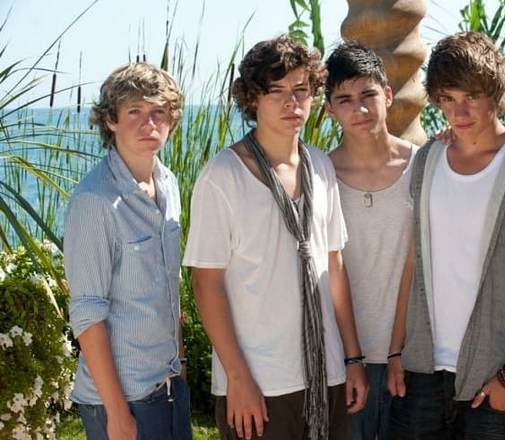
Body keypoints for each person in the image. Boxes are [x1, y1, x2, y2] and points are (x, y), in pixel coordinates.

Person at [183, 36, 368, 440]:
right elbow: (206, 284)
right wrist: (238, 378)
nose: (292, 103)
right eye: (276, 91)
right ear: (253, 99)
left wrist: (353, 358)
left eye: (301, 89)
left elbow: (334, 266)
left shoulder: (321, 166)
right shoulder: (222, 176)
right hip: (259, 383)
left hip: (326, 374)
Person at [386, 31, 505, 439]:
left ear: (495, 93)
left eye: (471, 96)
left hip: (492, 373)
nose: (459, 111)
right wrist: (395, 350)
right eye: (448, 98)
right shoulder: (428, 159)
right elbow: (413, 261)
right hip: (420, 370)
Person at [64, 63, 190, 440]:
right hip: (122, 400)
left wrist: (181, 363)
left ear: (171, 120)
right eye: (134, 111)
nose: (149, 123)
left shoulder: (168, 184)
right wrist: (118, 413)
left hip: (169, 385)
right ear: (111, 120)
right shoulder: (94, 200)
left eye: (158, 112)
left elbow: (170, 285)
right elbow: (87, 312)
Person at [324, 40, 417, 440]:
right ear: (329, 109)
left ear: (388, 95)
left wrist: (399, 349)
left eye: (368, 95)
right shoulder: (319, 174)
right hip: (341, 357)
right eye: (344, 100)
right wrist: (350, 358)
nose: (359, 109)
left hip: (411, 355)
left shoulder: (423, 164)